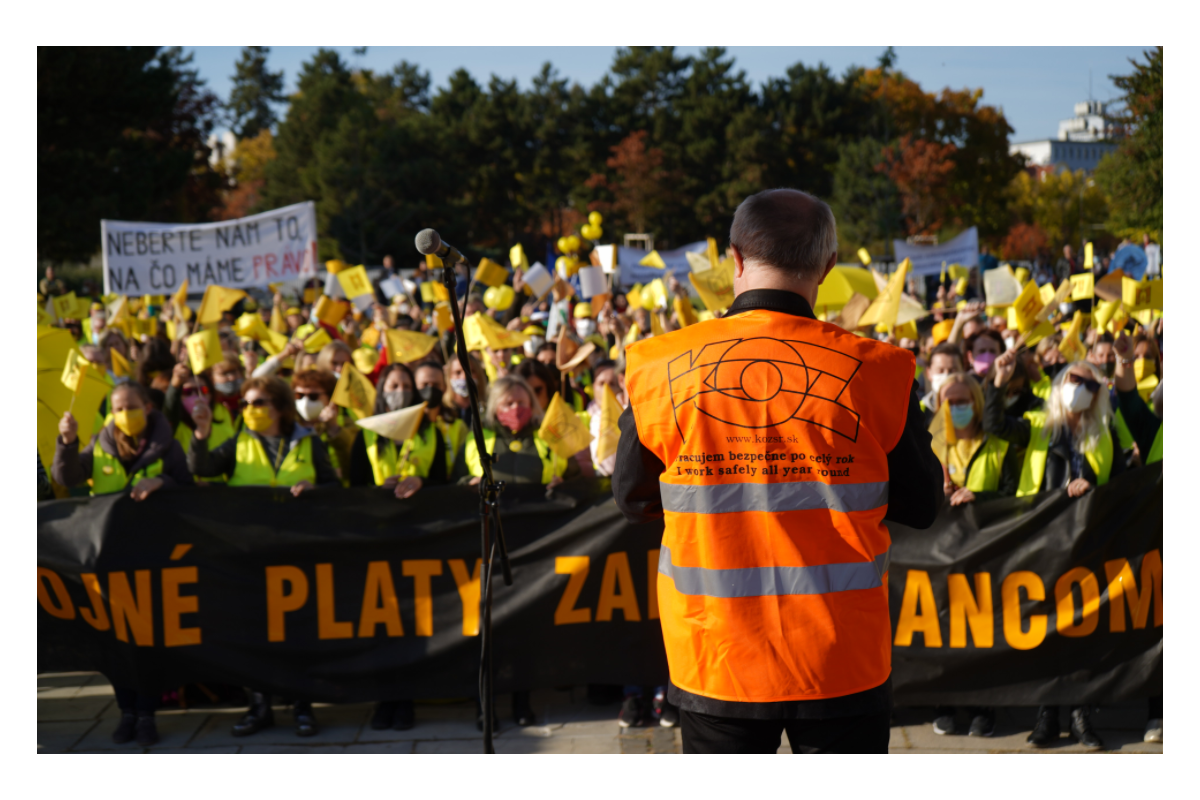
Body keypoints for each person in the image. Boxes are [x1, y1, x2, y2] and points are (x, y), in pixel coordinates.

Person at [615, 188, 943, 755]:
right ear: (829, 267)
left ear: (733, 260)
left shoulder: (660, 368)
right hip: (840, 661)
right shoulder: (879, 371)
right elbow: (921, 503)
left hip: (716, 657)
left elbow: (632, 498)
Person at [987, 352, 1125, 750]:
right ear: (1059, 386)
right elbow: (995, 424)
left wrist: (1092, 492)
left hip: (1086, 546)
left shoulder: (1105, 433)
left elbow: (1117, 486)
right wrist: (999, 379)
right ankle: (1046, 716)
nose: (1080, 389)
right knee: (1044, 631)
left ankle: (1082, 716)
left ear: (1099, 394)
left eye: (1090, 384)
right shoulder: (1036, 426)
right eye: (1073, 380)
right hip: (1041, 543)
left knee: (1083, 633)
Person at [187, 376, 339, 739]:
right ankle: (260, 707)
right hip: (249, 553)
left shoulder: (308, 442)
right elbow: (201, 468)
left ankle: (302, 706)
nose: (250, 410)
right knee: (255, 632)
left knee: (298, 632)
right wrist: (202, 432)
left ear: (281, 408)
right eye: (246, 404)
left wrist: (315, 488)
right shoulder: (238, 441)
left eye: (259, 403)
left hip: (296, 551)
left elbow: (335, 485)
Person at [52, 381, 194, 748]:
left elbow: (188, 487)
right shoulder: (99, 443)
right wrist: (66, 443)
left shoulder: (169, 444)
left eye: (131, 406)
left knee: (146, 640)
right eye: (117, 408)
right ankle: (126, 712)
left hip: (153, 555)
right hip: (110, 556)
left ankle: (147, 714)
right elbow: (66, 477)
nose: (123, 414)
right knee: (115, 642)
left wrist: (161, 481)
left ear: (147, 407)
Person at [455, 375, 579, 489]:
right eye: (509, 404)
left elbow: (576, 477)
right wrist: (469, 482)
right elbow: (456, 481)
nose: (515, 408)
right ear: (495, 407)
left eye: (521, 403)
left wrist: (563, 486)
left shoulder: (551, 436)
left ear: (530, 404)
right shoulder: (477, 438)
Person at [348, 363, 421, 490]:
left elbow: (442, 481)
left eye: (407, 386)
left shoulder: (430, 431)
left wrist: (421, 482)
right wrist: (381, 489)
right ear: (382, 390)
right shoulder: (366, 434)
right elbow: (356, 484)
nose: (401, 391)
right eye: (394, 386)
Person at [292, 368, 357, 485]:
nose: (305, 402)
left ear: (329, 398)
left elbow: (354, 464)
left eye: (313, 396)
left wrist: (334, 429)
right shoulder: (286, 425)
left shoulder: (346, 423)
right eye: (299, 395)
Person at [920, 343, 965, 419]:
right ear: (928, 373)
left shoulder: (973, 407)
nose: (947, 375)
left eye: (953, 370)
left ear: (963, 372)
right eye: (940, 370)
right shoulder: (918, 411)